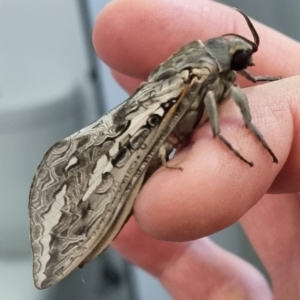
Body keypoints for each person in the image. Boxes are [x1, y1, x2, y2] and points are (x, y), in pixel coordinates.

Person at [92, 0, 300, 298]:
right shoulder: (205, 73)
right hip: (159, 134)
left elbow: (242, 81)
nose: (248, 65)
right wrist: (221, 136)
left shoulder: (222, 73)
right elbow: (214, 98)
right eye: (243, 59)